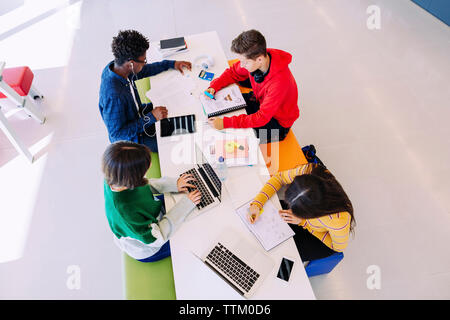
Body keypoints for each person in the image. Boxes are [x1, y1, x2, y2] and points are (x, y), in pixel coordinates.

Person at [102, 141, 201, 262]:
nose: (149, 168)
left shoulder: (114, 177)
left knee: (190, 215)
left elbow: (145, 184)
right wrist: (184, 205)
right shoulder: (126, 212)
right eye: (145, 170)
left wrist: (174, 184)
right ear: (132, 179)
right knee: (193, 236)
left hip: (148, 215)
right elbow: (156, 239)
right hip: (150, 246)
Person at [99, 30, 192, 152]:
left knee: (187, 121)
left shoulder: (118, 67)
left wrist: (172, 64)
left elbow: (145, 70)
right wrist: (150, 117)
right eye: (144, 61)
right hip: (135, 139)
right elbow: (117, 135)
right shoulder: (114, 95)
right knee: (181, 140)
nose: (145, 64)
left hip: (137, 114)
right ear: (131, 64)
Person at [205, 29, 299, 144]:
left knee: (237, 140)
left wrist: (225, 123)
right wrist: (215, 86)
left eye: (245, 62)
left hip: (277, 122)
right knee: (225, 106)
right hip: (260, 100)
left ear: (259, 59)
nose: (242, 66)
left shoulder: (278, 84)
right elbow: (233, 72)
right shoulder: (259, 58)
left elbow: (261, 118)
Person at [248, 163, 355, 262]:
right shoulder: (309, 172)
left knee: (281, 254)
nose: (289, 208)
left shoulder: (338, 220)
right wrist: (257, 203)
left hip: (320, 238)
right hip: (305, 219)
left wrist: (303, 222)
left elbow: (337, 247)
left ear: (310, 214)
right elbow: (280, 177)